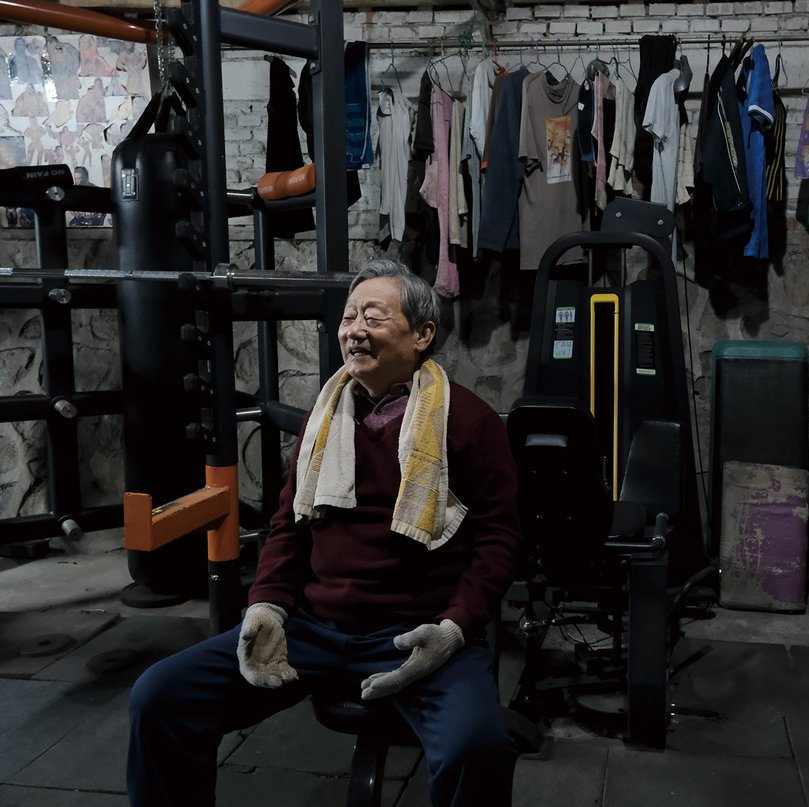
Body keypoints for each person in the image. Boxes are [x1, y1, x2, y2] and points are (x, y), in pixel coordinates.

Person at [127, 259, 523, 807]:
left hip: (417, 633)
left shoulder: (471, 422)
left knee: (477, 749)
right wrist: (266, 605)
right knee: (159, 697)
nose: (354, 329)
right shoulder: (325, 415)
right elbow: (289, 523)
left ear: (423, 334)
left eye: (374, 317)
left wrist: (453, 630)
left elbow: (498, 542)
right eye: (348, 316)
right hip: (315, 627)